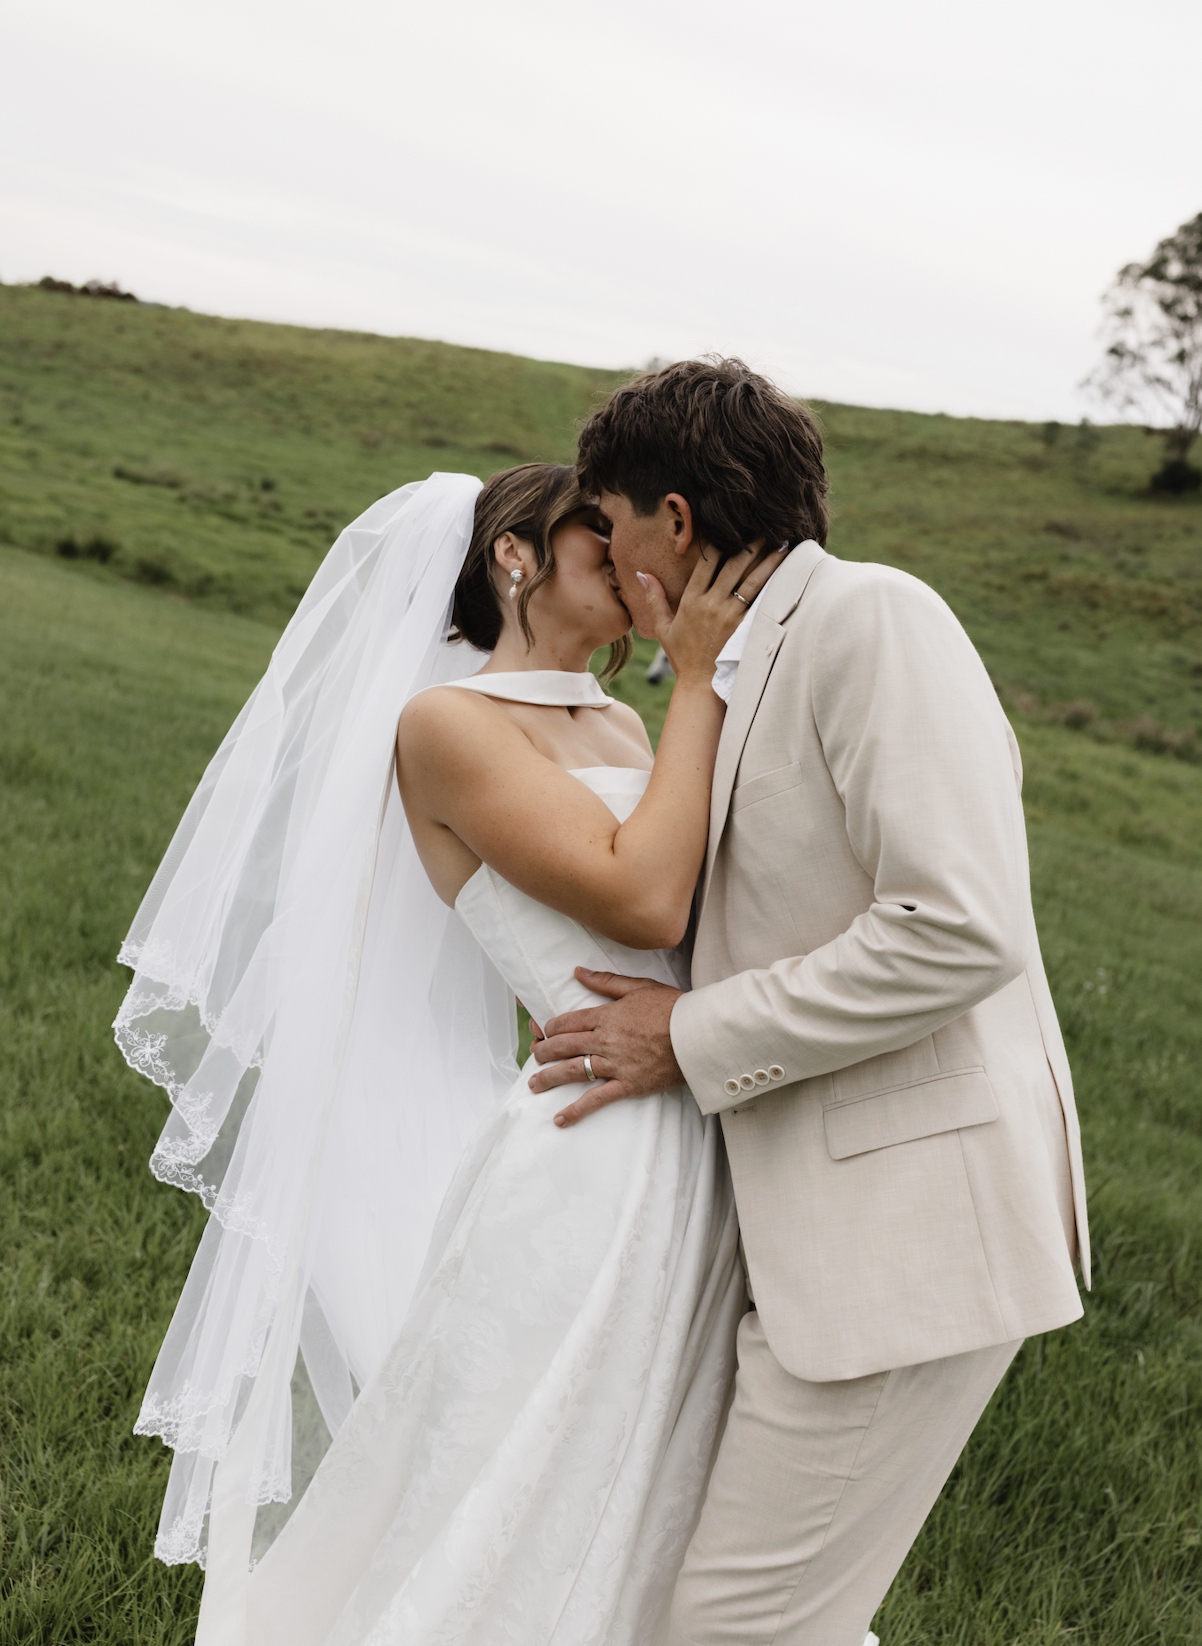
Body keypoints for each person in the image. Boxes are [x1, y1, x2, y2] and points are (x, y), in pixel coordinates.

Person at [114, 462, 784, 1646]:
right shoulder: (443, 725)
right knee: (524, 1485)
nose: (628, 556)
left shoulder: (620, 722)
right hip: (595, 1145)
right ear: (513, 557)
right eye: (594, 530)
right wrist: (697, 680)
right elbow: (641, 898)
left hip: (701, 1118)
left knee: (652, 1497)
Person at [529, 358, 1091, 1646]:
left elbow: (960, 924)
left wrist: (685, 1032)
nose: (606, 562)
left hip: (908, 1237)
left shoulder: (872, 620)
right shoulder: (724, 667)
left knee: (735, 1627)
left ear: (673, 519)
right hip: (808, 1238)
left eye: (609, 526)